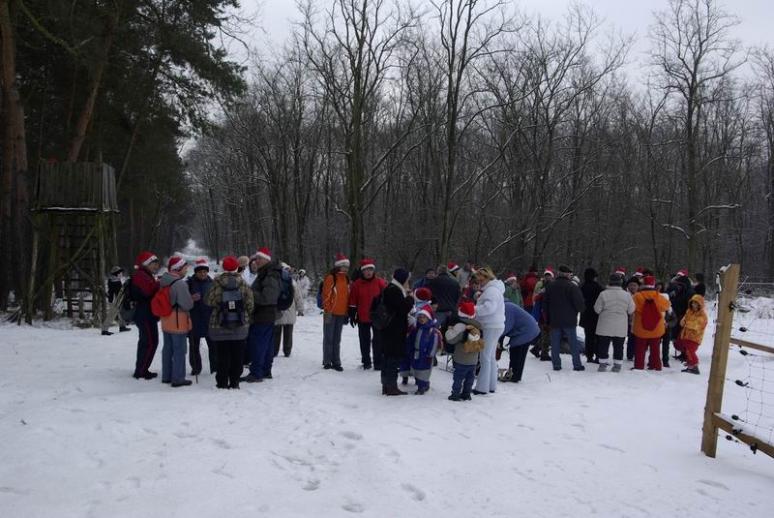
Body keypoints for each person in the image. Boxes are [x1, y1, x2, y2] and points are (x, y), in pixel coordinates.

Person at [206, 256, 255, 389]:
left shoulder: (216, 282)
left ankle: (222, 382)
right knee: (238, 355)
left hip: (219, 324)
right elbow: (250, 304)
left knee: (222, 355)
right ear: (236, 267)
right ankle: (235, 381)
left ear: (223, 268)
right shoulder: (243, 283)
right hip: (239, 325)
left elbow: (209, 301)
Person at [243, 247, 281, 383]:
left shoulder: (269, 275)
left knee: (258, 344)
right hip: (266, 315)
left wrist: (249, 293)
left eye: (258, 258)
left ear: (266, 259)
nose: (256, 261)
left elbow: (268, 297)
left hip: (263, 315)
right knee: (267, 344)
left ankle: (256, 372)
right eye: (255, 258)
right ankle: (265, 370)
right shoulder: (267, 272)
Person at [157, 256, 194, 387]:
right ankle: (178, 378)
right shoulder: (179, 283)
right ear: (178, 269)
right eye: (185, 268)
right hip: (178, 320)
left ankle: (166, 375)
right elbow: (187, 304)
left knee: (167, 348)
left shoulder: (163, 280)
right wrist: (192, 298)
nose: (186, 270)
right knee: (180, 349)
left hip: (166, 319)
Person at [378, 268, 414, 395]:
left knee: (387, 357)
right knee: (392, 358)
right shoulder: (395, 290)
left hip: (389, 328)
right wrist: (410, 299)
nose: (408, 282)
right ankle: (391, 386)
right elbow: (402, 309)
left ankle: (386, 385)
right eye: (407, 279)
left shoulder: (391, 288)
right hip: (394, 330)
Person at [543, 265, 585, 372]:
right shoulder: (572, 287)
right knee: (573, 343)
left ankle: (556, 364)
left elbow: (545, 305)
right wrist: (578, 310)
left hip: (554, 319)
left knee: (555, 343)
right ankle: (577, 364)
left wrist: (547, 319)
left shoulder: (550, 286)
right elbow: (579, 304)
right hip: (569, 320)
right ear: (567, 274)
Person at [348, 258, 388, 370]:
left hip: (377, 317)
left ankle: (378, 362)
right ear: (362, 271)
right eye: (366, 270)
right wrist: (352, 314)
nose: (369, 272)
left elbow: (387, 297)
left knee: (378, 340)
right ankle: (366, 362)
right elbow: (353, 300)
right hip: (363, 316)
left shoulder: (380, 282)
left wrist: (386, 312)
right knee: (364, 340)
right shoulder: (357, 284)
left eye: (370, 269)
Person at [472, 267, 505, 395]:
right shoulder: (494, 289)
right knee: (490, 357)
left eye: (480, 281)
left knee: (485, 357)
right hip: (495, 325)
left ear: (485, 278)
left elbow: (489, 308)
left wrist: (474, 309)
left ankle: (482, 387)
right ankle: (491, 385)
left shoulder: (491, 291)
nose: (479, 283)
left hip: (491, 325)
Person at [594, 274, 636, 372]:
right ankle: (617, 365)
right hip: (620, 324)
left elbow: (597, 309)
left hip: (605, 324)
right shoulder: (627, 295)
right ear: (621, 283)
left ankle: (602, 365)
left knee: (603, 345)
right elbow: (631, 310)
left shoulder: (603, 294)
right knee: (618, 346)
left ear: (609, 282)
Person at [131, 251, 161, 380]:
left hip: (147, 314)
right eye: (153, 264)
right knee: (149, 342)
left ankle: (142, 368)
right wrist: (159, 284)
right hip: (145, 314)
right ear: (146, 264)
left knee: (149, 341)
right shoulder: (141, 276)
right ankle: (141, 370)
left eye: (156, 264)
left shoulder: (145, 275)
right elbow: (147, 292)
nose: (156, 266)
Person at [444, 301, 482, 401]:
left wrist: (449, 330)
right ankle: (466, 394)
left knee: (458, 378)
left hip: (461, 359)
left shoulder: (460, 326)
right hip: (473, 360)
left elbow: (451, 339)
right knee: (470, 379)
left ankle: (455, 394)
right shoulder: (478, 326)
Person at [632, 275, 672, 370]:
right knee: (655, 349)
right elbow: (667, 306)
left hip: (641, 326)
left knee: (640, 349)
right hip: (657, 327)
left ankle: (639, 366)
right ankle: (656, 365)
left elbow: (631, 308)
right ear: (653, 284)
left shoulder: (637, 296)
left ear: (643, 284)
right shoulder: (658, 296)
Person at [404, 303, 442, 395]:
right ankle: (423, 384)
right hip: (416, 353)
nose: (421, 319)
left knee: (424, 371)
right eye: (420, 317)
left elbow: (434, 344)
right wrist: (409, 349)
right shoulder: (416, 329)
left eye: (424, 317)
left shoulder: (432, 331)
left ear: (428, 318)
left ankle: (421, 387)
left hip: (426, 354)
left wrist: (430, 354)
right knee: (417, 369)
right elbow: (411, 340)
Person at [322, 253, 351, 371]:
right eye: (343, 266)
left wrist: (347, 312)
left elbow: (347, 296)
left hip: (342, 313)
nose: (345, 268)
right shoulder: (331, 277)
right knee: (329, 338)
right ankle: (327, 361)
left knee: (337, 339)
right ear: (338, 266)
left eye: (347, 266)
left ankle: (336, 361)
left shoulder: (346, 279)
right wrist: (327, 310)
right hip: (331, 312)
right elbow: (326, 295)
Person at [500, 301, 540, 383]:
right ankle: (516, 376)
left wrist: (498, 336)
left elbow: (507, 326)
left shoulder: (507, 308)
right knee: (521, 355)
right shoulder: (509, 305)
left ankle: (512, 376)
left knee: (515, 352)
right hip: (531, 329)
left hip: (525, 331)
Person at [187, 258, 215, 375]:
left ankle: (215, 367)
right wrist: (191, 298)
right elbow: (183, 300)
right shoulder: (189, 283)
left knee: (213, 346)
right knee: (194, 346)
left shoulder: (212, 283)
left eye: (205, 271)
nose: (203, 274)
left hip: (209, 318)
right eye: (200, 272)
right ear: (196, 272)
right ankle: (196, 368)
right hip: (194, 318)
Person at [274, 262, 304, 358]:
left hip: (278, 311)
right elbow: (298, 297)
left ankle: (274, 350)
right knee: (288, 333)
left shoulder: (275, 281)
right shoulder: (292, 282)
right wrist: (300, 309)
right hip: (290, 311)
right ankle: (287, 351)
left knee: (276, 333)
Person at [676, 295, 708, 374]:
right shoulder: (689, 311)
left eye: (696, 303)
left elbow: (696, 325)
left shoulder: (702, 315)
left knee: (690, 351)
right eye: (693, 303)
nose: (694, 305)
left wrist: (686, 323)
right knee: (687, 351)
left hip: (695, 337)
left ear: (700, 305)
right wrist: (684, 322)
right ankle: (690, 365)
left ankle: (694, 366)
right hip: (686, 335)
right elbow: (683, 321)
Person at [668, 269, 694, 361]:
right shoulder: (681, 290)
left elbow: (686, 303)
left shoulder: (689, 292)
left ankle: (685, 354)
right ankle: (682, 352)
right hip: (678, 314)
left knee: (683, 336)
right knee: (678, 335)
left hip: (684, 316)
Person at [529, 267, 554, 360]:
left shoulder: (544, 287)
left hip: (543, 314)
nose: (548, 278)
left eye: (549, 276)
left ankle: (536, 349)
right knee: (546, 335)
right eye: (547, 276)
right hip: (544, 315)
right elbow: (536, 298)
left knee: (545, 334)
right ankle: (544, 353)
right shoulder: (542, 287)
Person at [580, 267, 603, 363]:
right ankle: (598, 355)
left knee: (588, 337)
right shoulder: (598, 287)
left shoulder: (582, 287)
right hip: (596, 315)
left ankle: (589, 355)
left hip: (585, 314)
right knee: (598, 337)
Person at [428, 264, 461, 330]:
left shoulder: (433, 282)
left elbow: (430, 296)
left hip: (438, 310)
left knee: (435, 331)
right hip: (452, 311)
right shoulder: (455, 283)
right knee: (448, 334)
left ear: (438, 271)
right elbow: (458, 297)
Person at [101, 266, 130, 335]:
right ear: (116, 273)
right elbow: (116, 291)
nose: (121, 273)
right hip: (115, 300)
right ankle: (104, 330)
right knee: (111, 315)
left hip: (118, 299)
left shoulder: (116, 280)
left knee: (121, 313)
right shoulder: (113, 281)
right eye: (120, 272)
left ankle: (122, 326)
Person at [625, 277, 640, 360]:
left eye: (634, 285)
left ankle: (634, 354)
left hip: (637, 320)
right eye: (630, 285)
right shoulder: (625, 295)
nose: (632, 287)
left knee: (634, 338)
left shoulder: (640, 295)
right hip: (625, 319)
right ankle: (629, 354)